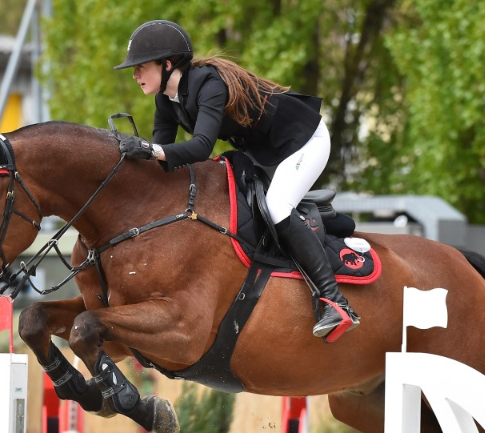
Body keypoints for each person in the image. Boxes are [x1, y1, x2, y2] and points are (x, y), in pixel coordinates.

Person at [112, 20, 358, 341]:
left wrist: (149, 149)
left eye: (141, 67)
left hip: (303, 140)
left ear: (168, 64)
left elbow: (200, 147)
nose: (135, 74)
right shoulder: (165, 101)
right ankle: (334, 224)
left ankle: (334, 302)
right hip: (264, 151)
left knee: (277, 208)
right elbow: (166, 161)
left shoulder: (208, 84)